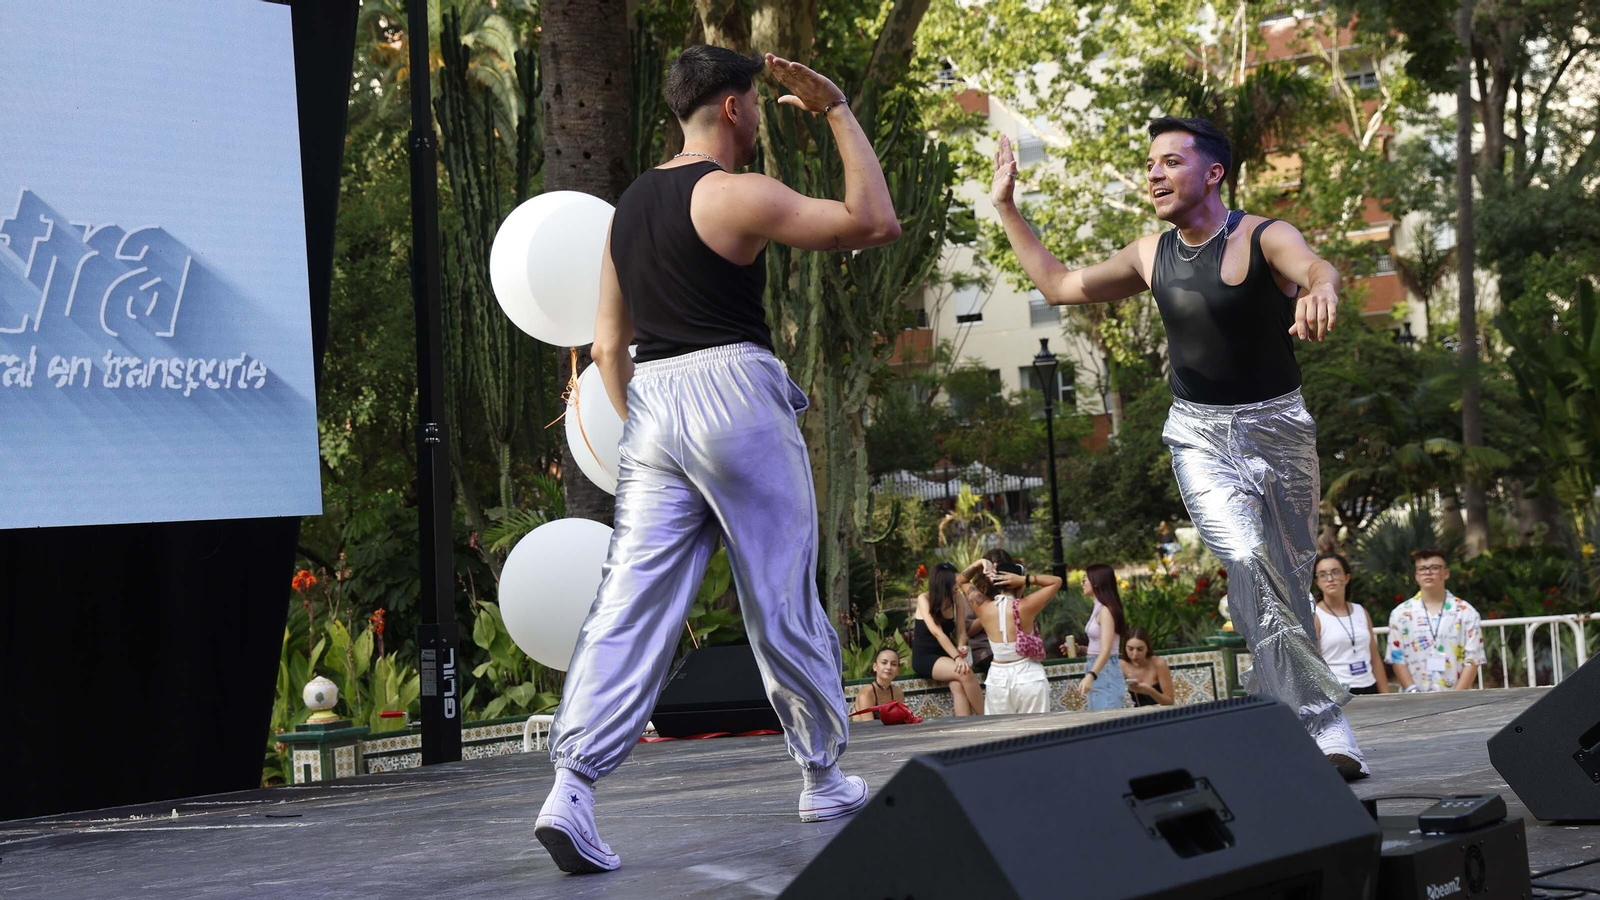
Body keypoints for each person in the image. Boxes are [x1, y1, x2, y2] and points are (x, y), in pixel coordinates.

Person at [537, 46, 902, 874]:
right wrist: (837, 109)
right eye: (758, 104)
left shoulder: (627, 209)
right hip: (732, 388)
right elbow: (874, 221)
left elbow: (605, 344)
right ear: (735, 107)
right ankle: (821, 772)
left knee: (627, 603)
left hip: (653, 404)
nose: (762, 114)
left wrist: (647, 436)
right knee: (778, 591)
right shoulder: (736, 193)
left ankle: (572, 788)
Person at [990, 116, 1369, 778]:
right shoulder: (1149, 253)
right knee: (1250, 560)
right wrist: (1005, 207)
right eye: (1150, 164)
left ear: (1213, 173)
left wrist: (1324, 287)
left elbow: (1314, 265)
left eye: (1170, 162)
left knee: (1284, 577)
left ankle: (1277, 703)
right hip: (1198, 433)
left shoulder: (1263, 235)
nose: (1154, 173)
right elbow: (1058, 286)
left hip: (1279, 429)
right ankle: (1327, 724)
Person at [967, 561, 1062, 714]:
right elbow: (1056, 581)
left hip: (998, 679)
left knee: (1001, 733)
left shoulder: (983, 607)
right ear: (1019, 584)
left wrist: (980, 563)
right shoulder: (1026, 605)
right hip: (1029, 676)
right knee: (1037, 733)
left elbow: (961, 580)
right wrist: (1026, 579)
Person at [1387, 548, 1487, 693]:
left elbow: (1473, 658)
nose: (1428, 572)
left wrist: (1456, 696)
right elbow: (1397, 657)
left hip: (1455, 697)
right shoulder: (1400, 614)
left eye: (1434, 568)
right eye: (1422, 569)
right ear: (1416, 575)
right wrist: (1412, 691)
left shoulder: (1466, 612)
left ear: (1445, 573)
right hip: (1413, 699)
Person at [911, 562, 985, 715]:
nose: (957, 586)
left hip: (946, 653)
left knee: (958, 686)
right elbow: (937, 632)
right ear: (944, 584)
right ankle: (986, 717)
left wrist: (961, 646)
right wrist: (957, 657)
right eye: (954, 583)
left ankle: (964, 728)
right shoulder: (924, 599)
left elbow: (961, 631)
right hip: (926, 656)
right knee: (965, 673)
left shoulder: (956, 598)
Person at [1312, 553, 1389, 695]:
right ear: (1317, 582)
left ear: (1346, 577)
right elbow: (1313, 665)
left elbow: (1375, 658)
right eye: (1322, 574)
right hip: (1337, 692)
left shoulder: (1361, 611)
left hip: (1369, 686)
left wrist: (1386, 695)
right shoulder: (1315, 616)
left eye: (1335, 572)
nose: (1330, 578)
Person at [1078, 564, 1130, 710]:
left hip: (1105, 671)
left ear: (1096, 582)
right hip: (1098, 668)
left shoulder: (1106, 611)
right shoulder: (1098, 607)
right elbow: (1101, 647)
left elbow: (1106, 650)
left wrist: (1091, 675)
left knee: (1106, 717)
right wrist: (1081, 649)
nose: (1082, 583)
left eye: (1085, 579)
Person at [1120, 627, 1176, 706]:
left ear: (1147, 648)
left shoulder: (1158, 664)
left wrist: (1150, 691)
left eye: (1140, 649)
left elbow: (1170, 702)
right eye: (1130, 649)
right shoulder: (1122, 665)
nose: (1135, 654)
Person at [850, 648, 907, 720]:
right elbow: (869, 726)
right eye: (884, 663)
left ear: (898, 670)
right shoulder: (866, 694)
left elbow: (899, 721)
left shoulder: (897, 693)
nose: (889, 667)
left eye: (894, 664)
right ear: (875, 667)